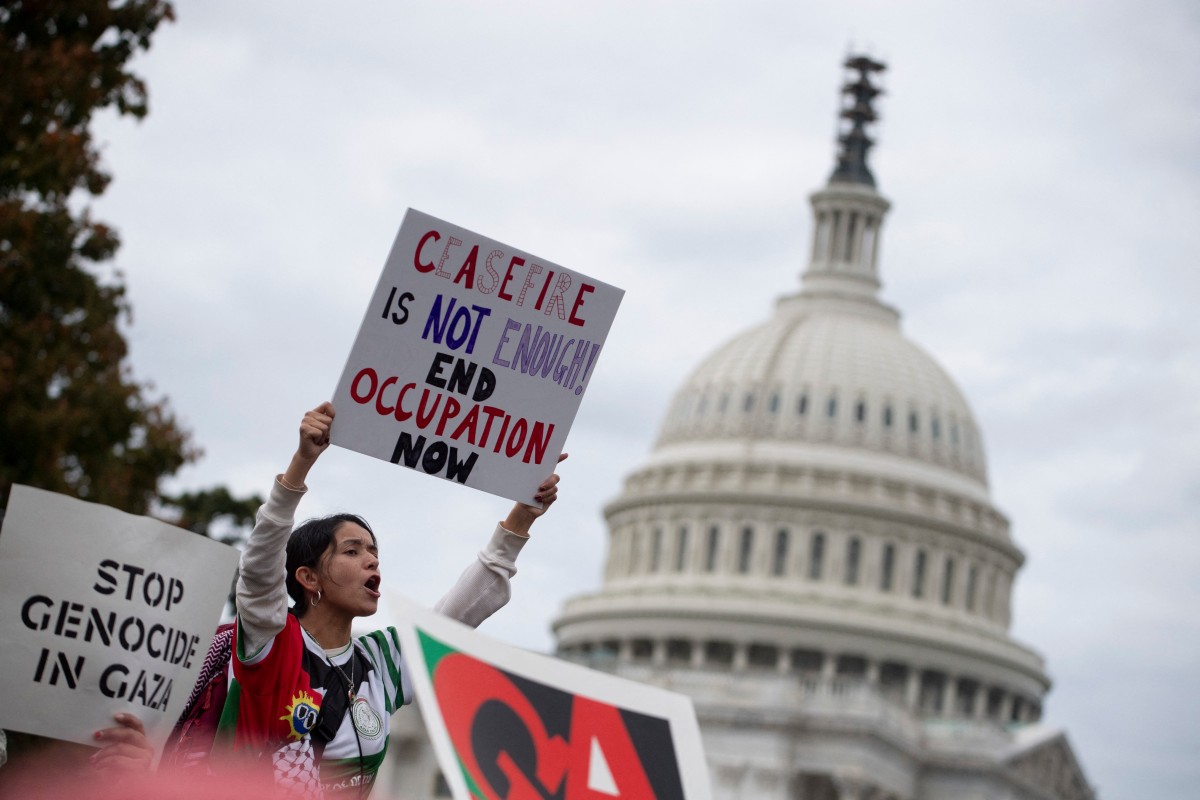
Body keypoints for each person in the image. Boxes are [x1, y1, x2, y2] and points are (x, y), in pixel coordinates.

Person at [218, 402, 564, 798]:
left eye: (373, 551)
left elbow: (457, 615)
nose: (371, 559)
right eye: (351, 551)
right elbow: (259, 569)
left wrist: (521, 518)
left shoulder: (380, 662)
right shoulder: (272, 641)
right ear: (308, 578)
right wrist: (302, 462)